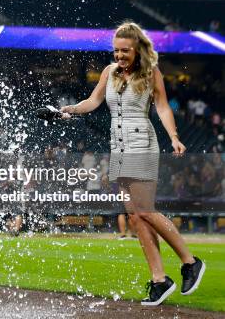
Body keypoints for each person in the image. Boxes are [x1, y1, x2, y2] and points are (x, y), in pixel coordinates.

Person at [61, 22, 205, 306]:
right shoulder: (109, 72)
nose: (119, 55)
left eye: (125, 50)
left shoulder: (151, 73)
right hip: (119, 147)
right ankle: (159, 280)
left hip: (142, 145)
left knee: (145, 211)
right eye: (116, 50)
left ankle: (190, 262)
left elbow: (162, 107)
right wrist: (71, 110)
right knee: (136, 217)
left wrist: (174, 137)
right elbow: (93, 100)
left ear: (137, 49)